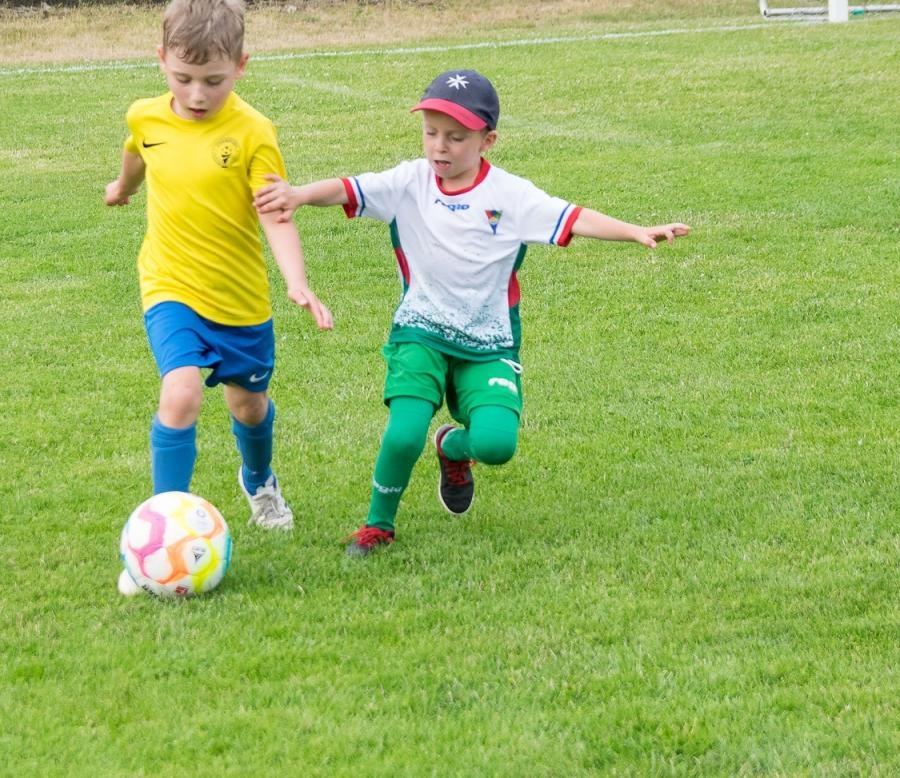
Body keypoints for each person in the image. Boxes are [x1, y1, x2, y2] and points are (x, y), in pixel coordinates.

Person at [253, 70, 690, 557]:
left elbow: (573, 217)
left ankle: (452, 449)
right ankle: (378, 525)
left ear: (489, 140)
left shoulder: (511, 196)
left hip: (489, 344)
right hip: (420, 332)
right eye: (431, 133)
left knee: (497, 445)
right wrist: (297, 195)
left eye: (456, 137)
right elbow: (347, 188)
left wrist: (634, 230)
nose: (440, 147)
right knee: (403, 432)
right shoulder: (408, 182)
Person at [104, 0, 332, 595]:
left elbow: (276, 213)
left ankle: (259, 481)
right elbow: (137, 155)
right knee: (179, 395)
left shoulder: (255, 132)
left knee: (247, 407)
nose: (198, 95)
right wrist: (120, 186)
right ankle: (160, 534)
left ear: (241, 67)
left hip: (239, 302)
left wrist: (297, 281)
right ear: (161, 61)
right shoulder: (145, 115)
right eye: (184, 78)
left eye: (214, 80)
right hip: (169, 284)